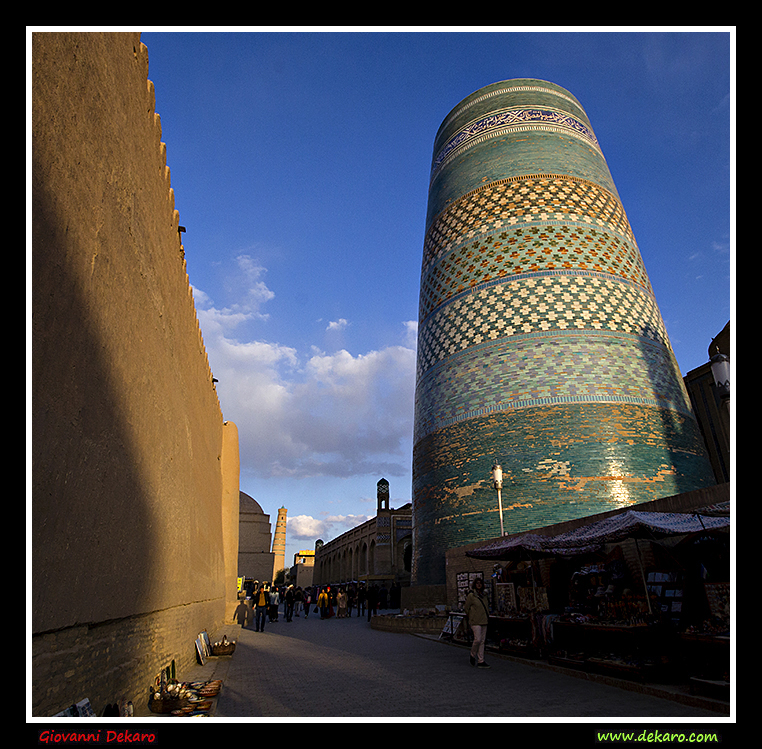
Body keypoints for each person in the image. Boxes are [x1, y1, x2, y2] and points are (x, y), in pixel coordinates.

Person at [464, 577, 490, 668]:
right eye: (477, 583)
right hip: (475, 621)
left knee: (482, 641)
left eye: (480, 583)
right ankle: (472, 654)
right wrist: (471, 615)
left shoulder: (485, 595)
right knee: (477, 639)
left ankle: (481, 660)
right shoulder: (471, 596)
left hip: (484, 620)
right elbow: (466, 608)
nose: (479, 585)